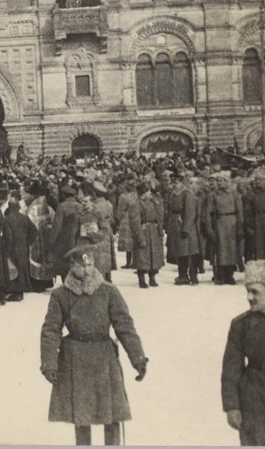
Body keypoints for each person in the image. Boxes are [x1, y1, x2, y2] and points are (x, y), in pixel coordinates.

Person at [40, 245, 148, 446]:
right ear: (72, 266)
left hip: (104, 358)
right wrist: (49, 363)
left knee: (113, 415)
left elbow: (124, 326)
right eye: (82, 266)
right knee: (81, 418)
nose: (87, 270)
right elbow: (50, 330)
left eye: (90, 264)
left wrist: (138, 358)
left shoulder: (108, 291)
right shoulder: (61, 295)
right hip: (75, 359)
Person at [221, 259, 265, 446]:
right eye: (248, 291)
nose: (249, 297)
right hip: (252, 399)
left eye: (255, 292)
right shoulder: (240, 325)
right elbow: (231, 369)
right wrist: (232, 407)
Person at [204, 172, 243, 285]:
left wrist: (240, 226)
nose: (219, 183)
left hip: (232, 223)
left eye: (221, 180)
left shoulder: (234, 194)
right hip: (219, 223)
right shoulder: (213, 195)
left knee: (231, 250)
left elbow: (240, 211)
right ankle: (220, 275)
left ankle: (230, 274)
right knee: (220, 249)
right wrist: (209, 227)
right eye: (218, 181)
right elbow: (208, 212)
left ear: (227, 181)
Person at [165, 173, 199, 285]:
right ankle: (182, 275)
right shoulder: (173, 194)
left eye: (177, 181)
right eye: (173, 181)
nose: (174, 183)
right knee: (180, 251)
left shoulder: (187, 194)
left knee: (189, 250)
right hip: (175, 225)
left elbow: (190, 212)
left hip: (184, 225)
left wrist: (186, 228)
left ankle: (193, 276)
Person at [129, 182, 165, 288]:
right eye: (148, 191)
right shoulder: (136, 205)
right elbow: (135, 222)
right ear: (143, 193)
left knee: (154, 255)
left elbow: (159, 217)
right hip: (144, 231)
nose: (150, 193)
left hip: (153, 231)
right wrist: (140, 237)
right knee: (142, 256)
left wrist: (160, 231)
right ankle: (141, 279)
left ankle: (152, 277)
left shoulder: (153, 203)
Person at [242, 170, 265, 262]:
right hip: (257, 221)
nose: (257, 182)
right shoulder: (251, 194)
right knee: (258, 247)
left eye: (260, 180)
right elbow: (247, 212)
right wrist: (249, 227)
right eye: (256, 180)